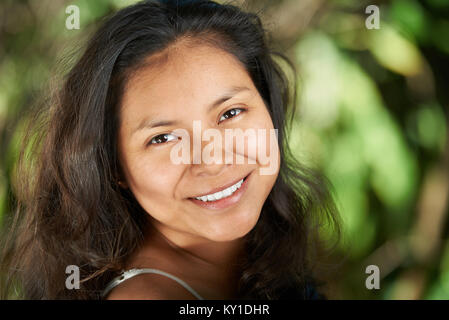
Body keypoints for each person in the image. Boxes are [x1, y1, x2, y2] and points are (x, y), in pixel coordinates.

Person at [0, 0, 340, 300]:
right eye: (163, 138)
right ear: (114, 165)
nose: (212, 158)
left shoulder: (263, 250)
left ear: (268, 107)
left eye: (230, 113)